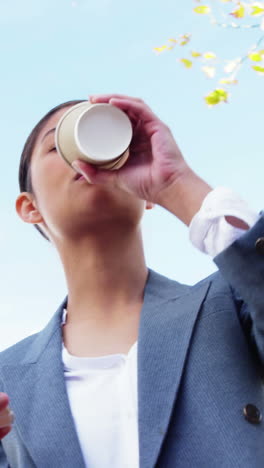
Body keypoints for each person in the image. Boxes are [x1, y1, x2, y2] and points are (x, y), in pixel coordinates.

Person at [0, 94, 263, 468]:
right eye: (60, 141)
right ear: (30, 207)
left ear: (148, 199)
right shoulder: (6, 378)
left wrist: (175, 183)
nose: (85, 153)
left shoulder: (231, 306)